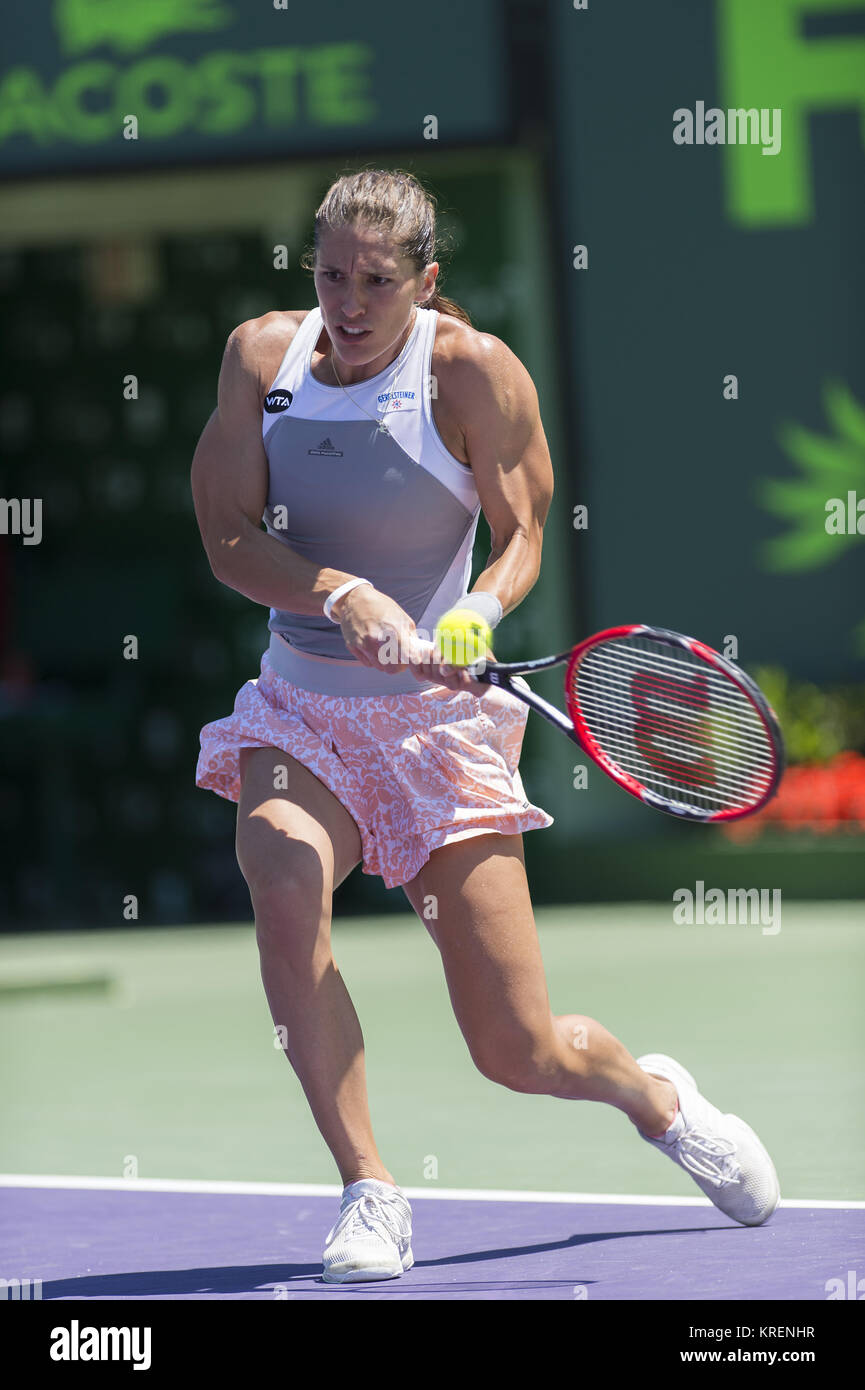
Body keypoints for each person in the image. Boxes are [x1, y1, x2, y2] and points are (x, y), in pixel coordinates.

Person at [192, 168, 779, 1284]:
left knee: (520, 1050)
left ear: (426, 280)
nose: (350, 303)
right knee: (280, 878)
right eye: (329, 275)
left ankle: (653, 1097)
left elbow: (522, 534)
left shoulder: (472, 372)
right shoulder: (259, 359)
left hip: (434, 729)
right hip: (300, 707)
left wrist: (475, 608)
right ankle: (369, 1187)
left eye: (376, 280)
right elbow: (226, 539)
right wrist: (339, 591)